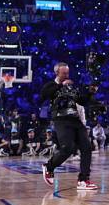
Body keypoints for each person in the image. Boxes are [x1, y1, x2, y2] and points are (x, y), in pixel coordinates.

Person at [39, 62, 98, 191]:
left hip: (75, 119)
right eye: (64, 73)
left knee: (87, 147)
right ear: (57, 73)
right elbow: (43, 95)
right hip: (61, 120)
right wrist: (60, 85)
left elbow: (81, 101)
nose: (66, 75)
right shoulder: (51, 85)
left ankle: (83, 179)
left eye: (67, 73)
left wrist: (89, 92)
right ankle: (49, 166)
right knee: (68, 148)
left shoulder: (71, 86)